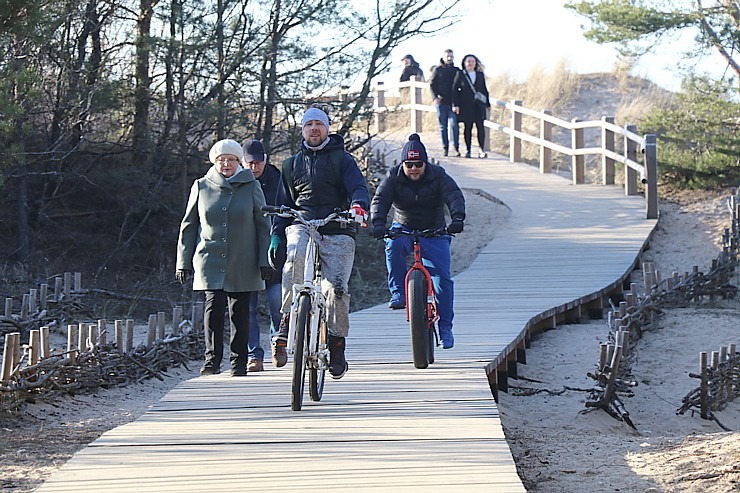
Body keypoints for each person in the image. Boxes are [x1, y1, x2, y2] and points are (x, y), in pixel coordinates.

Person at [269, 107, 370, 379]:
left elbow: (358, 187)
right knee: (293, 261)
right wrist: (277, 233)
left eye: (319, 124)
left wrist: (359, 206)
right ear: (302, 130)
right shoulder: (291, 164)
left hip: (337, 226)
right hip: (302, 224)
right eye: (309, 124)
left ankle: (336, 343)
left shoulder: (343, 160)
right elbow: (282, 204)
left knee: (336, 289)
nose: (314, 129)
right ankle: (287, 322)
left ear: (327, 128)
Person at [176, 139, 272, 376]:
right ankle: (212, 361)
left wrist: (264, 259)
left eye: (231, 160)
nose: (226, 164)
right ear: (214, 162)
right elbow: (189, 226)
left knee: (239, 310)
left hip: (243, 257)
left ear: (239, 162)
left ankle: (239, 362)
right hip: (210, 257)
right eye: (221, 160)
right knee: (214, 307)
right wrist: (183, 262)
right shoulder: (201, 186)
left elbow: (263, 224)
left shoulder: (251, 185)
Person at [370, 133, 465, 349]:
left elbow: (454, 196)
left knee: (442, 280)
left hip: (434, 230)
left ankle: (446, 328)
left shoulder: (439, 175)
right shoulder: (393, 176)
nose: (414, 168)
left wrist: (457, 218)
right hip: (403, 227)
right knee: (392, 246)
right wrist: (377, 222)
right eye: (409, 164)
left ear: (426, 163)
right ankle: (398, 293)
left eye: (418, 164)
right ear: (403, 163)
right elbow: (381, 199)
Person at [241, 139, 285, 373]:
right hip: (246, 253)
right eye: (249, 163)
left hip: (273, 253)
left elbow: (286, 213)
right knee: (247, 306)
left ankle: (279, 340)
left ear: (265, 159)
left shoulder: (279, 182)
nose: (254, 168)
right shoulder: (237, 183)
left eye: (257, 163)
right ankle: (253, 355)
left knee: (277, 301)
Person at [452, 54, 491, 159]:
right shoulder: (460, 74)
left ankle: (481, 149)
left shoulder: (480, 74)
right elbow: (455, 90)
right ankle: (468, 149)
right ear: (464, 63)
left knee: (480, 127)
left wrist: (487, 103)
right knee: (467, 127)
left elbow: (484, 89)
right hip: (466, 105)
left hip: (478, 105)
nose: (470, 63)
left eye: (472, 61)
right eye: (468, 61)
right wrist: (456, 105)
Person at [429, 49, 461, 157]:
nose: (449, 58)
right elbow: (432, 85)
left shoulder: (456, 70)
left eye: (451, 56)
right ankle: (445, 148)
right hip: (441, 102)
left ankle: (456, 147)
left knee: (454, 125)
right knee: (443, 127)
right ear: (443, 57)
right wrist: (435, 97)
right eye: (447, 56)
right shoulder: (437, 70)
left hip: (453, 103)